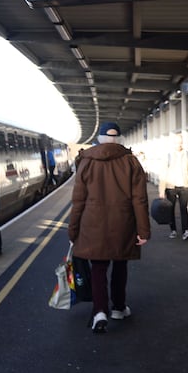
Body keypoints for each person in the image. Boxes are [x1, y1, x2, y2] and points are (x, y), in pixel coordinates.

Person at [68, 122, 150, 333]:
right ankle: (119, 308)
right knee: (120, 265)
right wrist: (143, 231)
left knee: (98, 268)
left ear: (100, 138)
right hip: (123, 223)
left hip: (93, 224)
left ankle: (100, 311)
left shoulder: (86, 161)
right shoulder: (131, 161)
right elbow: (139, 199)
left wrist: (73, 231)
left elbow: (78, 201)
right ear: (118, 138)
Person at [158, 132, 188, 241]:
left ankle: (185, 231)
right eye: (176, 143)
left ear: (182, 142)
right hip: (171, 187)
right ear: (173, 143)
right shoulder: (168, 155)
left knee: (184, 209)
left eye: (180, 142)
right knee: (171, 209)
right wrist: (161, 190)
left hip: (184, 185)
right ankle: (173, 230)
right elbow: (163, 173)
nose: (178, 145)